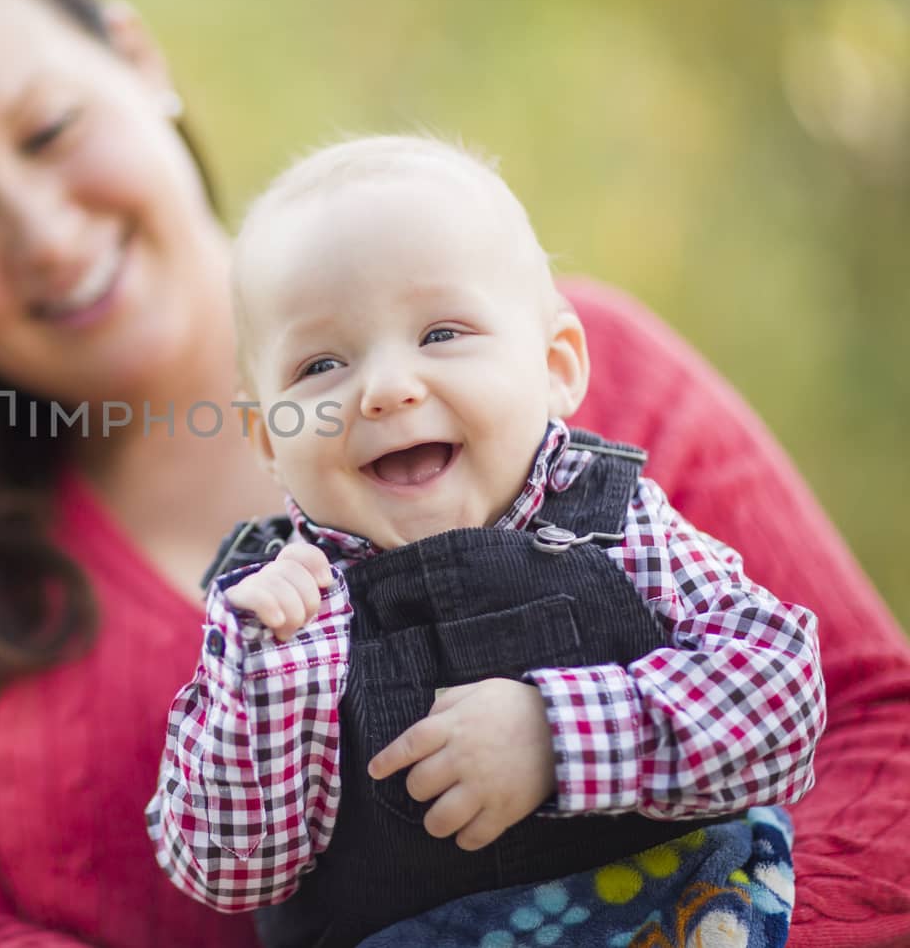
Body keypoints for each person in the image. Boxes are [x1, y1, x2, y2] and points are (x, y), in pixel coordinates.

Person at [0, 0, 910, 948]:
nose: (39, 227)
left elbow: (865, 726)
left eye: (47, 131)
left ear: (137, 60)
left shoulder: (584, 395)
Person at [145, 134, 823, 948]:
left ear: (556, 365)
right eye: (322, 363)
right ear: (266, 436)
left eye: (442, 334)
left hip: (674, 916)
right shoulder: (277, 616)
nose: (389, 389)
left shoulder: (618, 523)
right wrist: (261, 680)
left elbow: (782, 700)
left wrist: (555, 733)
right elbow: (225, 868)